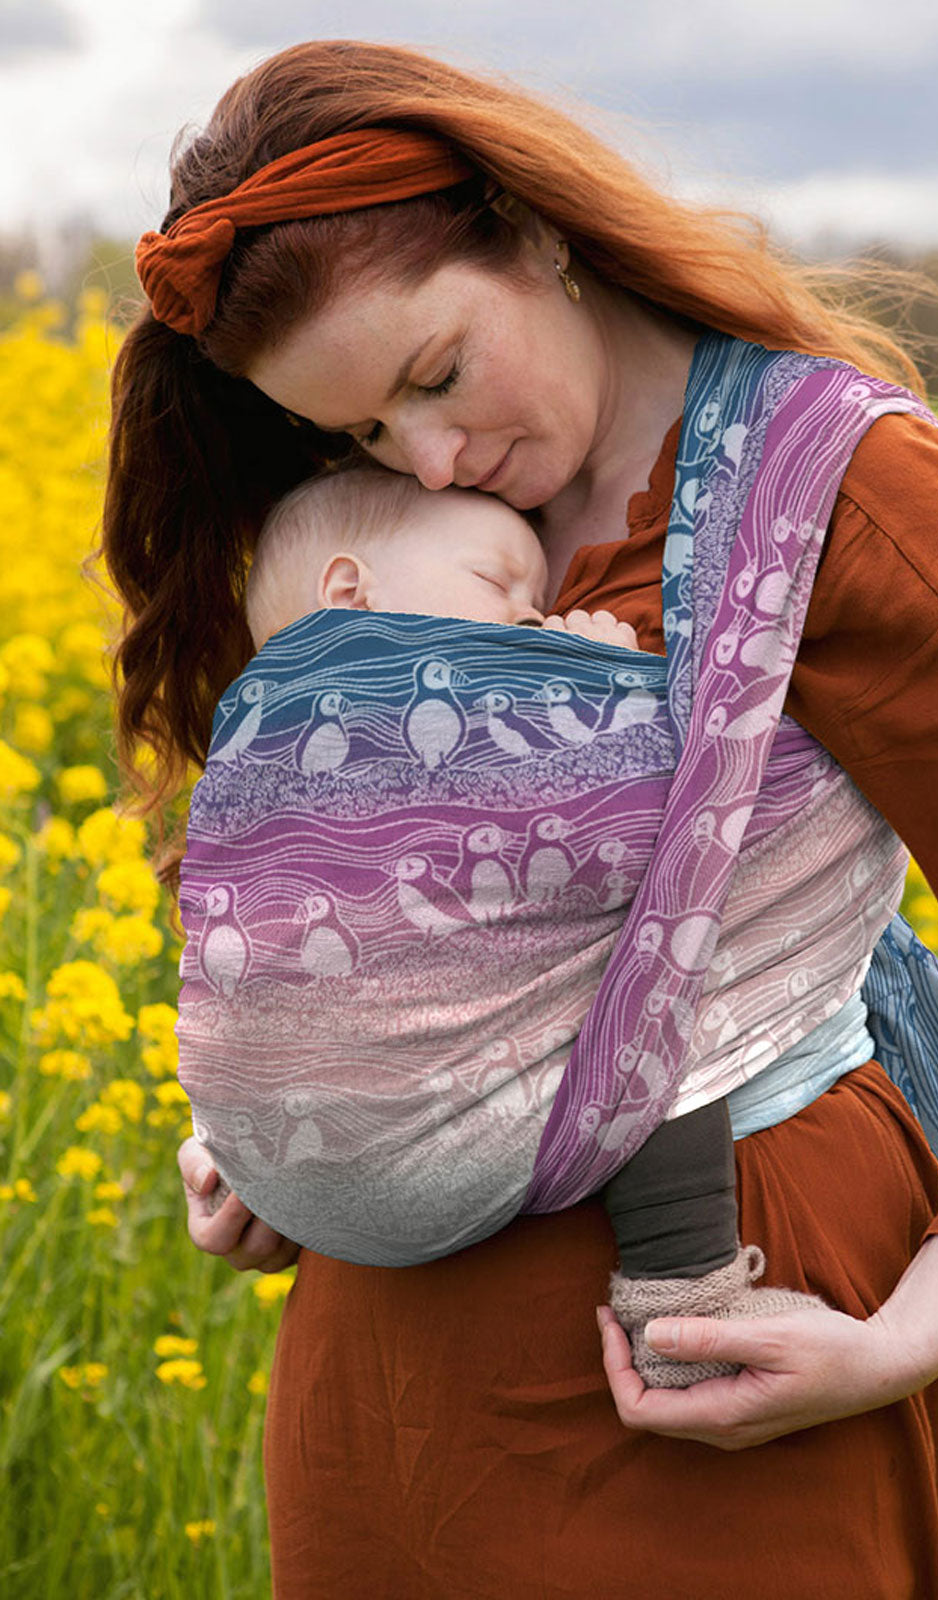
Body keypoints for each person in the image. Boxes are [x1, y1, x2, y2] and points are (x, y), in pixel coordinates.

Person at [102, 38, 938, 1599]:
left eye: (436, 376)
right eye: (358, 438)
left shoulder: (851, 503)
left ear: (535, 228)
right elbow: (338, 908)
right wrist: (280, 1138)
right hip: (397, 1379)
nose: (430, 461)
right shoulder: (369, 542)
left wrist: (903, 1344)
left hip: (726, 1364)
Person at [190, 461, 822, 1385]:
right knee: (652, 1008)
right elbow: (680, 824)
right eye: (498, 585)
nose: (532, 619)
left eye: (540, 602)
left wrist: (234, 1130)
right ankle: (684, 1303)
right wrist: (606, 677)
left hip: (287, 1174)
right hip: (421, 1144)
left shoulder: (254, 744)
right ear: (349, 596)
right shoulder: (422, 702)